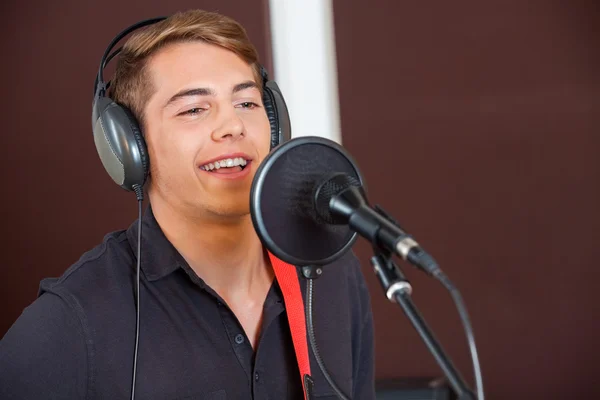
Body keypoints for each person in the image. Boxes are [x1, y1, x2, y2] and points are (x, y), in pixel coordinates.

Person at [0, 9, 375, 399]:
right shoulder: (73, 321)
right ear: (132, 148)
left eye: (246, 103)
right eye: (194, 109)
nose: (232, 125)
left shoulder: (331, 276)